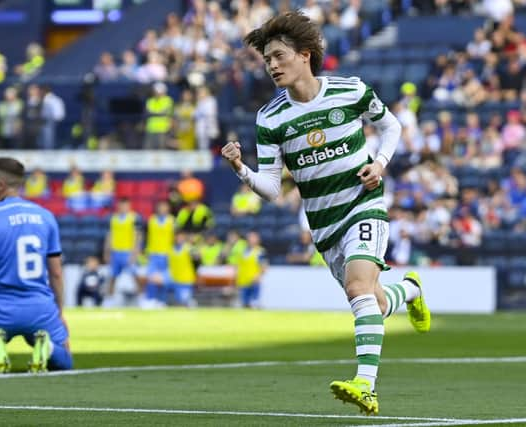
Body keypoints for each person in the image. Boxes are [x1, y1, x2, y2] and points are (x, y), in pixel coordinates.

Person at [221, 11, 430, 415]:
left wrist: (381, 163)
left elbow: (392, 127)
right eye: (267, 60)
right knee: (376, 300)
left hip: (363, 205)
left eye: (279, 56)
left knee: (357, 289)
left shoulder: (350, 91)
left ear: (305, 55)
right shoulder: (271, 117)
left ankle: (365, 385)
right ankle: (412, 289)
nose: (272, 66)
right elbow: (270, 188)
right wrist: (241, 170)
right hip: (324, 223)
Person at [0, 157, 72, 373]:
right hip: (40, 308)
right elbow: (56, 274)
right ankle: (47, 348)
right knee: (66, 358)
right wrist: (58, 313)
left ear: (0, 185)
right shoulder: (46, 217)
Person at [103, 198, 143, 296]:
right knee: (112, 276)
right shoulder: (114, 219)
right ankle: (110, 298)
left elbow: (138, 236)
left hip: (128, 251)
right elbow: (110, 235)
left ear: (129, 206)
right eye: (121, 205)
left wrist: (135, 253)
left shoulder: (134, 218)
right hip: (115, 251)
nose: (123, 207)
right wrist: (107, 252)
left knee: (135, 276)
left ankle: (141, 297)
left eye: (125, 205)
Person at [144, 200, 174, 305]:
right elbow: (148, 237)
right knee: (152, 278)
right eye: (160, 207)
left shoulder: (172, 221)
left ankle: (162, 301)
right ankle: (150, 300)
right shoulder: (151, 220)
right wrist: (148, 252)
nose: (162, 209)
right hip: (154, 254)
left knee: (165, 279)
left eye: (164, 207)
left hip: (167, 255)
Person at [235, 231, 267, 308]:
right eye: (250, 237)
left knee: (254, 303)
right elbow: (238, 265)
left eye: (253, 237)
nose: (251, 239)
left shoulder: (260, 251)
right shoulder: (242, 251)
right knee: (244, 304)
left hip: (253, 280)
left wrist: (258, 275)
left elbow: (264, 266)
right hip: (242, 281)